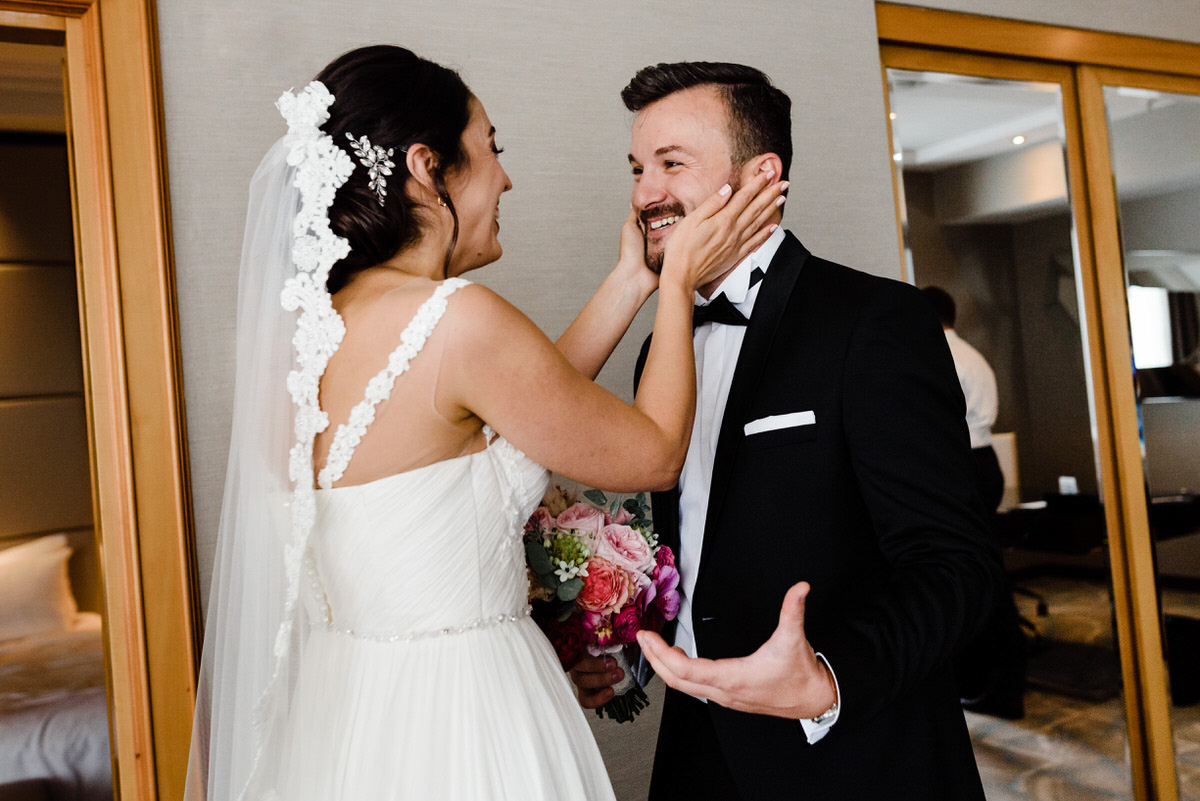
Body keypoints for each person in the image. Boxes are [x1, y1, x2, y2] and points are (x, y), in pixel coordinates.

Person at [184, 46, 783, 801]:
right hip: (464, 712)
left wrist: (632, 279)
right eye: (491, 148)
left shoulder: (307, 338)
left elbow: (522, 406)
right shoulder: (458, 320)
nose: (505, 178)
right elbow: (657, 452)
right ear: (427, 168)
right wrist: (679, 282)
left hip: (349, 716)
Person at [570, 61, 1004, 800]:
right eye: (638, 169)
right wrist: (632, 650)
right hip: (699, 752)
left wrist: (829, 680)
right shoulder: (658, 350)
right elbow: (692, 543)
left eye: (672, 164)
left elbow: (956, 564)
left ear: (761, 175)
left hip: (855, 761)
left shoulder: (873, 321)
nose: (644, 194)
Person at [921, 284, 1027, 720]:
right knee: (985, 571)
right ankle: (995, 681)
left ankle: (997, 684)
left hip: (961, 467)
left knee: (974, 577)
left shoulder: (936, 355)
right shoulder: (973, 355)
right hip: (985, 464)